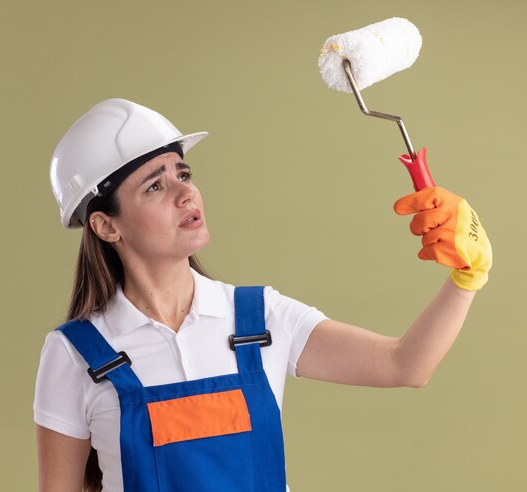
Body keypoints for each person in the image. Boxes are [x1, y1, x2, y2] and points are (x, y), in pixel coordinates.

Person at [34, 98, 492, 492]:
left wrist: (466, 277)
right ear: (105, 225)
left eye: (183, 173)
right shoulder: (77, 353)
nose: (185, 193)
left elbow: (405, 365)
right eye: (155, 185)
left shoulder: (258, 318)